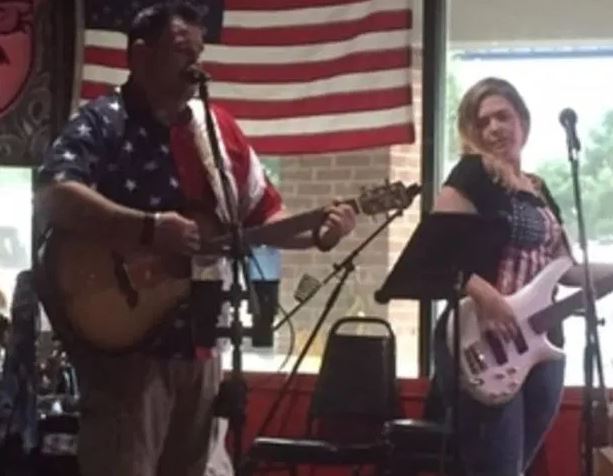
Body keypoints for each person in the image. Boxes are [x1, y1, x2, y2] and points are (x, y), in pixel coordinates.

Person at [34, 3, 356, 476]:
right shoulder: (105, 121)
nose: (196, 67)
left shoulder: (217, 130)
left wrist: (320, 234)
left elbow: (263, 217)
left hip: (201, 342)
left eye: (199, 54)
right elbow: (53, 194)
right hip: (128, 348)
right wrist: (147, 228)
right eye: (182, 52)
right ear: (140, 56)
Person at [431, 77, 612, 475]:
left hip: (540, 343)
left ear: (523, 123)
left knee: (516, 467)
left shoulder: (539, 188)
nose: (494, 128)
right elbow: (437, 248)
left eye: (503, 117)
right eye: (483, 122)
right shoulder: (472, 174)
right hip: (481, 336)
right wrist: (485, 295)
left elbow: (566, 269)